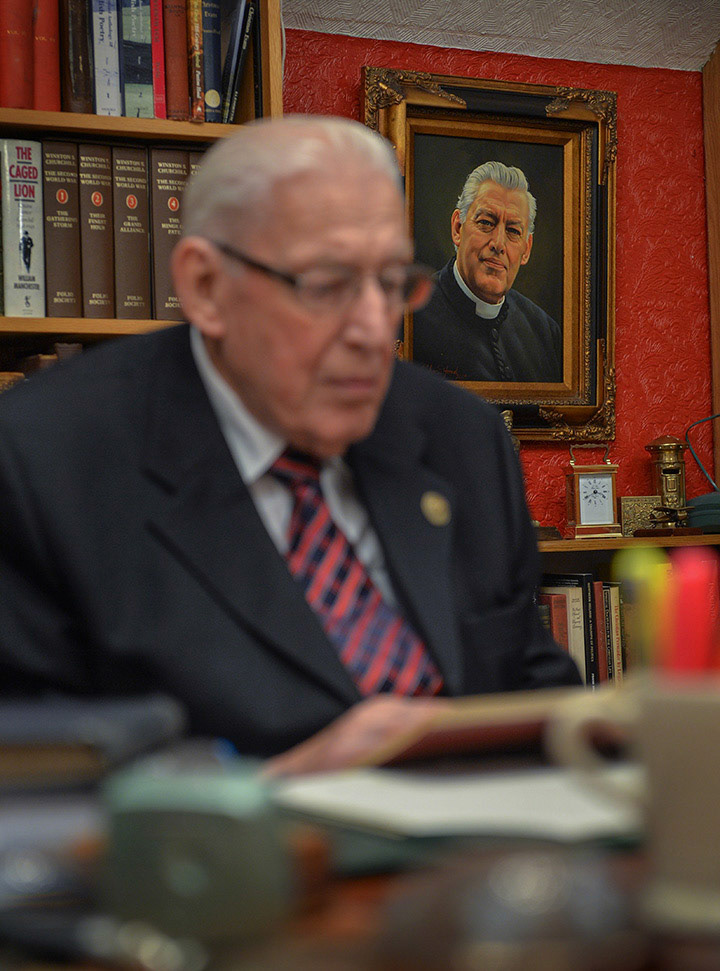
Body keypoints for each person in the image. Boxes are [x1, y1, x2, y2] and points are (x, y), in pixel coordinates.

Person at [0, 117, 579, 775]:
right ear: (207, 287)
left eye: (391, 283)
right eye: (326, 285)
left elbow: (533, 686)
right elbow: (28, 785)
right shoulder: (41, 462)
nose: (371, 330)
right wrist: (268, 788)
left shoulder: (461, 437)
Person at [413, 160, 562, 383]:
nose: (498, 243)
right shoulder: (410, 317)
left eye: (513, 231)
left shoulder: (545, 333)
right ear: (457, 228)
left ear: (526, 249)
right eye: (486, 222)